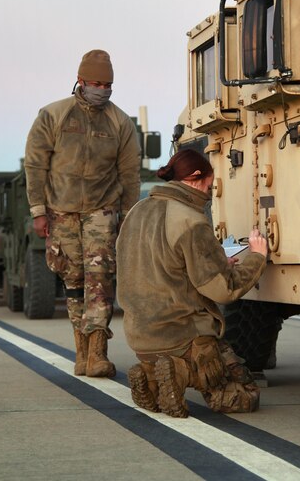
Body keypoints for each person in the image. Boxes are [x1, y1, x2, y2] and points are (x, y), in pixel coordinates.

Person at [116, 149, 268, 417]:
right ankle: (181, 370)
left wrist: (217, 262)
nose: (210, 193)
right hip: (182, 335)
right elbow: (223, 290)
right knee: (243, 396)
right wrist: (257, 257)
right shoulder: (190, 219)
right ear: (197, 178)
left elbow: (161, 265)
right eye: (210, 185)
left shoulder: (135, 213)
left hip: (139, 335)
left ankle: (150, 375)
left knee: (162, 361)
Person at [24, 49, 141, 378]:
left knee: (100, 282)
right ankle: (81, 351)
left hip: (102, 210)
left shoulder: (120, 123)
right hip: (60, 211)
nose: (101, 89)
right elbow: (35, 165)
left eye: (107, 85)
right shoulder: (53, 115)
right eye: (95, 83)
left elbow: (129, 174)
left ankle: (98, 353)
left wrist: (128, 217)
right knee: (73, 281)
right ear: (80, 80)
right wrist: (38, 211)